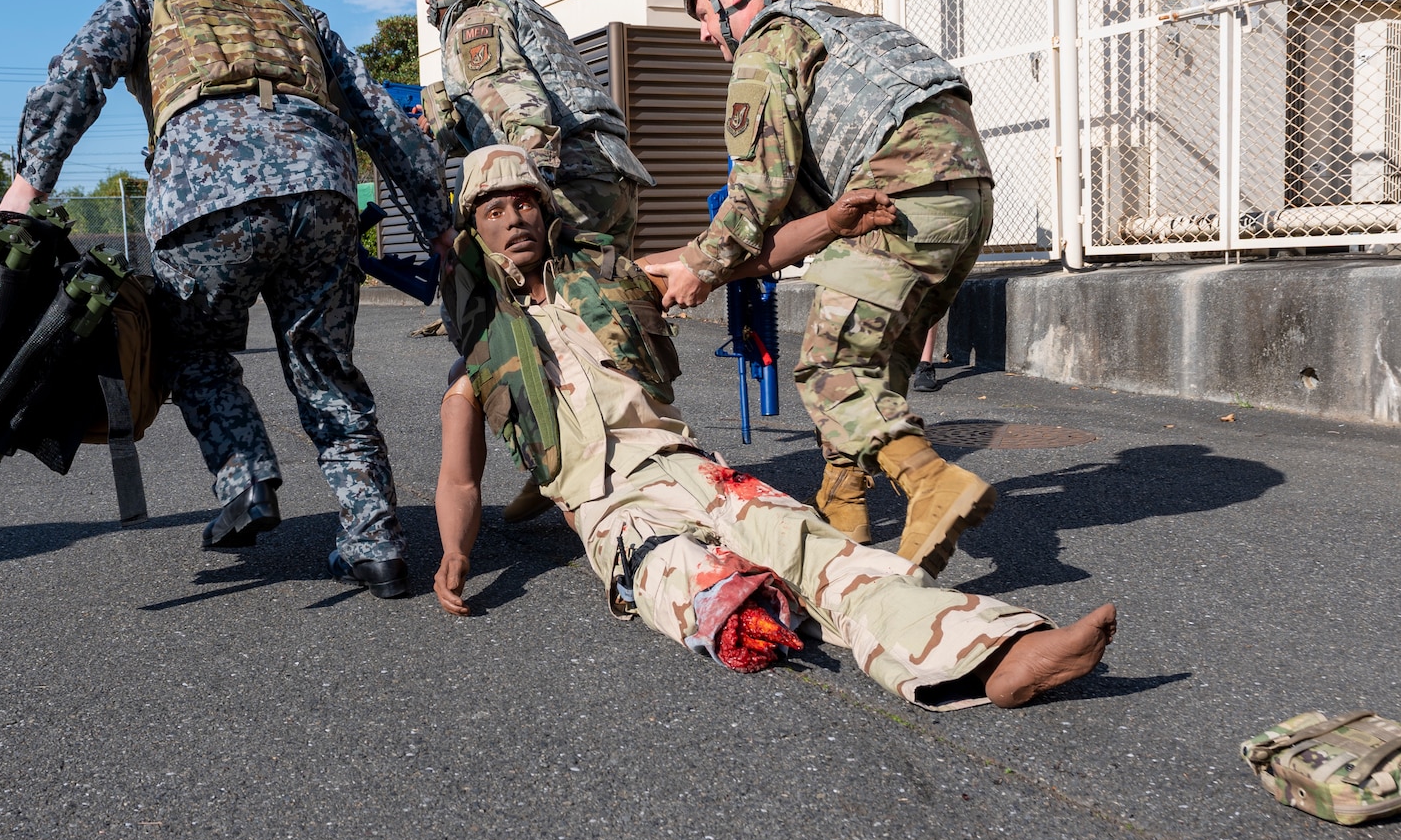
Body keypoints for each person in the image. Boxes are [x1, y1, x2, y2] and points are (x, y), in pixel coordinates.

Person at [430, 145, 1116, 710]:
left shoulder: (612, 280)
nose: (514, 217)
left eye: (525, 200)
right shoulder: (480, 361)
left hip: (692, 466)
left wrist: (834, 222)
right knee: (697, 582)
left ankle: (1001, 651)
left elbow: (741, 258)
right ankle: (775, 603)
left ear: (547, 211)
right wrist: (455, 553)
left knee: (816, 549)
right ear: (473, 232)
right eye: (495, 209)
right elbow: (460, 477)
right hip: (612, 507)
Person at [0, 0, 448, 597]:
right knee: (325, 369)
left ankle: (247, 478)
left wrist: (28, 184)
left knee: (191, 346)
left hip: (204, 197)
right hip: (321, 187)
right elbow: (382, 119)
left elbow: (80, 72)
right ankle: (377, 542)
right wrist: (438, 221)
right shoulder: (295, 6)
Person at [641, 0, 998, 577]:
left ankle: (930, 483)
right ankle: (845, 510)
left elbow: (758, 190)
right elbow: (798, 218)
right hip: (966, 193)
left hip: (903, 191)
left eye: (700, 15)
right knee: (876, 364)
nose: (701, 34)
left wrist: (701, 265)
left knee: (830, 368)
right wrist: (709, 259)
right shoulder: (842, 31)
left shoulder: (768, 45)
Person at [413, 0, 657, 526]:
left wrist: (523, 205)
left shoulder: (475, 20)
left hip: (565, 186)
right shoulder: (521, 10)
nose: (428, 0)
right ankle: (611, 464)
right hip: (608, 179)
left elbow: (525, 120)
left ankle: (568, 475)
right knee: (601, 324)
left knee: (500, 329)